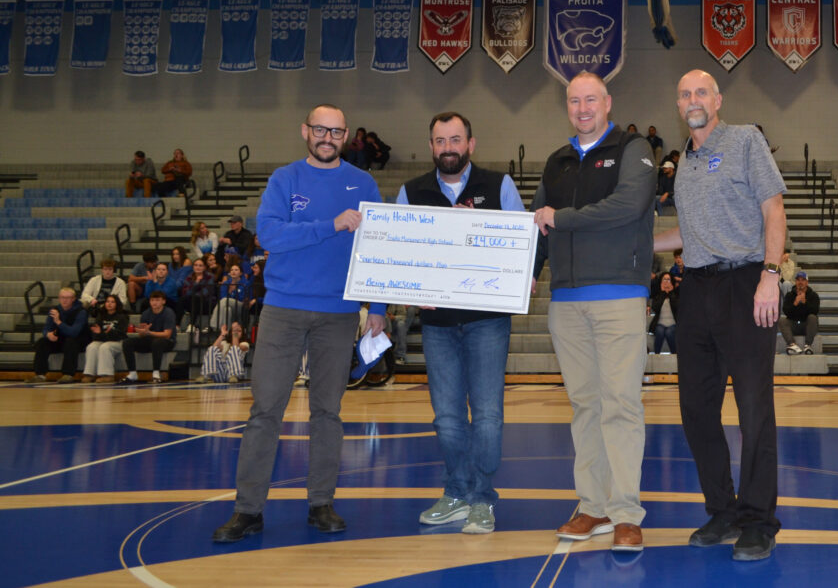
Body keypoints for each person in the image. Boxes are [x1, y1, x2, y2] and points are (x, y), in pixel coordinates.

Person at [212, 104, 386, 543]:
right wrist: (330, 225)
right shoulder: (284, 179)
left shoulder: (363, 183)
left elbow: (379, 247)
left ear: (346, 135)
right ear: (305, 131)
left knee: (327, 412)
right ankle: (248, 509)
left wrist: (379, 307)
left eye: (336, 131)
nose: (328, 137)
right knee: (265, 411)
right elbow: (270, 235)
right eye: (320, 130)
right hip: (283, 309)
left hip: (339, 313)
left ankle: (321, 503)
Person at [652, 68, 786, 561]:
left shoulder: (745, 140)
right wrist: (633, 244)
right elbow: (687, 233)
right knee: (695, 407)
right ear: (678, 105)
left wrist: (770, 274)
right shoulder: (682, 163)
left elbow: (774, 209)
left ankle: (758, 520)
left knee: (753, 408)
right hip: (697, 288)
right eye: (684, 93)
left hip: (745, 281)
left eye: (701, 92)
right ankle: (723, 510)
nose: (693, 99)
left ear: (717, 99)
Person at [531, 71, 655, 553]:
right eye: (574, 101)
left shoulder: (633, 149)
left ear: (607, 103)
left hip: (619, 294)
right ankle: (593, 506)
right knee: (586, 407)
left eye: (590, 100)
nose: (582, 108)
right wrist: (524, 273)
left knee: (621, 405)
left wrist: (561, 218)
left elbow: (628, 205)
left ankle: (625, 513)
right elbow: (538, 227)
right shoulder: (557, 162)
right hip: (566, 301)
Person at [395, 111, 524, 535]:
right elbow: (397, 252)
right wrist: (407, 286)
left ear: (471, 143)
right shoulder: (411, 192)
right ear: (431, 146)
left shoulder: (499, 185)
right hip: (437, 325)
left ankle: (482, 499)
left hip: (488, 321)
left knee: (486, 416)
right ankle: (456, 493)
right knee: (447, 418)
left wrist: (518, 279)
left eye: (455, 139)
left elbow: (522, 244)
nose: (448, 147)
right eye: (440, 140)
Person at [25, 287, 89, 383]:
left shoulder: (81, 312)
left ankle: (68, 374)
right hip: (61, 339)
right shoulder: (55, 310)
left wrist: (58, 322)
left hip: (79, 340)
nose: (64, 300)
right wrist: (48, 334)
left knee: (70, 342)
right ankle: (40, 375)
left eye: (67, 298)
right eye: (62, 297)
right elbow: (46, 328)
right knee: (42, 342)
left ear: (73, 299)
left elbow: (73, 333)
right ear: (59, 298)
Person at [120, 290, 176, 384]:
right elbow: (142, 335)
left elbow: (167, 334)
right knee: (127, 342)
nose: (154, 302)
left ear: (163, 301)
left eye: (157, 300)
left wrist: (149, 332)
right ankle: (132, 373)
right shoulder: (146, 313)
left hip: (167, 341)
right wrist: (142, 331)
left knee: (157, 342)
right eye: (152, 300)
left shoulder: (168, 313)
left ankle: (156, 373)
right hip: (150, 339)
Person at [81, 295, 129, 384]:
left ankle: (107, 375)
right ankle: (90, 374)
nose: (109, 304)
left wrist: (107, 333)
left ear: (117, 304)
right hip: (103, 339)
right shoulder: (101, 316)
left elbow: (121, 334)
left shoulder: (122, 316)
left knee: (105, 347)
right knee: (92, 346)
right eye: (107, 301)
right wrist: (100, 333)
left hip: (118, 342)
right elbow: (97, 334)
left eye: (112, 302)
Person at [779, 271, 819, 355]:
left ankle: (808, 345)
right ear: (795, 282)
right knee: (782, 320)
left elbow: (815, 311)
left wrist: (805, 302)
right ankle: (792, 345)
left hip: (807, 326)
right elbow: (786, 311)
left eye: (803, 280)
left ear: (807, 282)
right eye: (798, 280)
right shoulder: (789, 295)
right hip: (793, 325)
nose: (800, 282)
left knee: (813, 318)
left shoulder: (813, 295)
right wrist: (795, 303)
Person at [649, 272, 678, 355]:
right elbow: (655, 308)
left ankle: (675, 354)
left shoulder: (676, 293)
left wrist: (671, 293)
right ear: (661, 282)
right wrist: (663, 293)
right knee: (659, 331)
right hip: (660, 323)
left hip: (674, 323)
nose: (666, 282)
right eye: (664, 279)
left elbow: (677, 307)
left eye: (668, 279)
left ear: (671, 281)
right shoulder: (657, 294)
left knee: (669, 332)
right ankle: (656, 354)